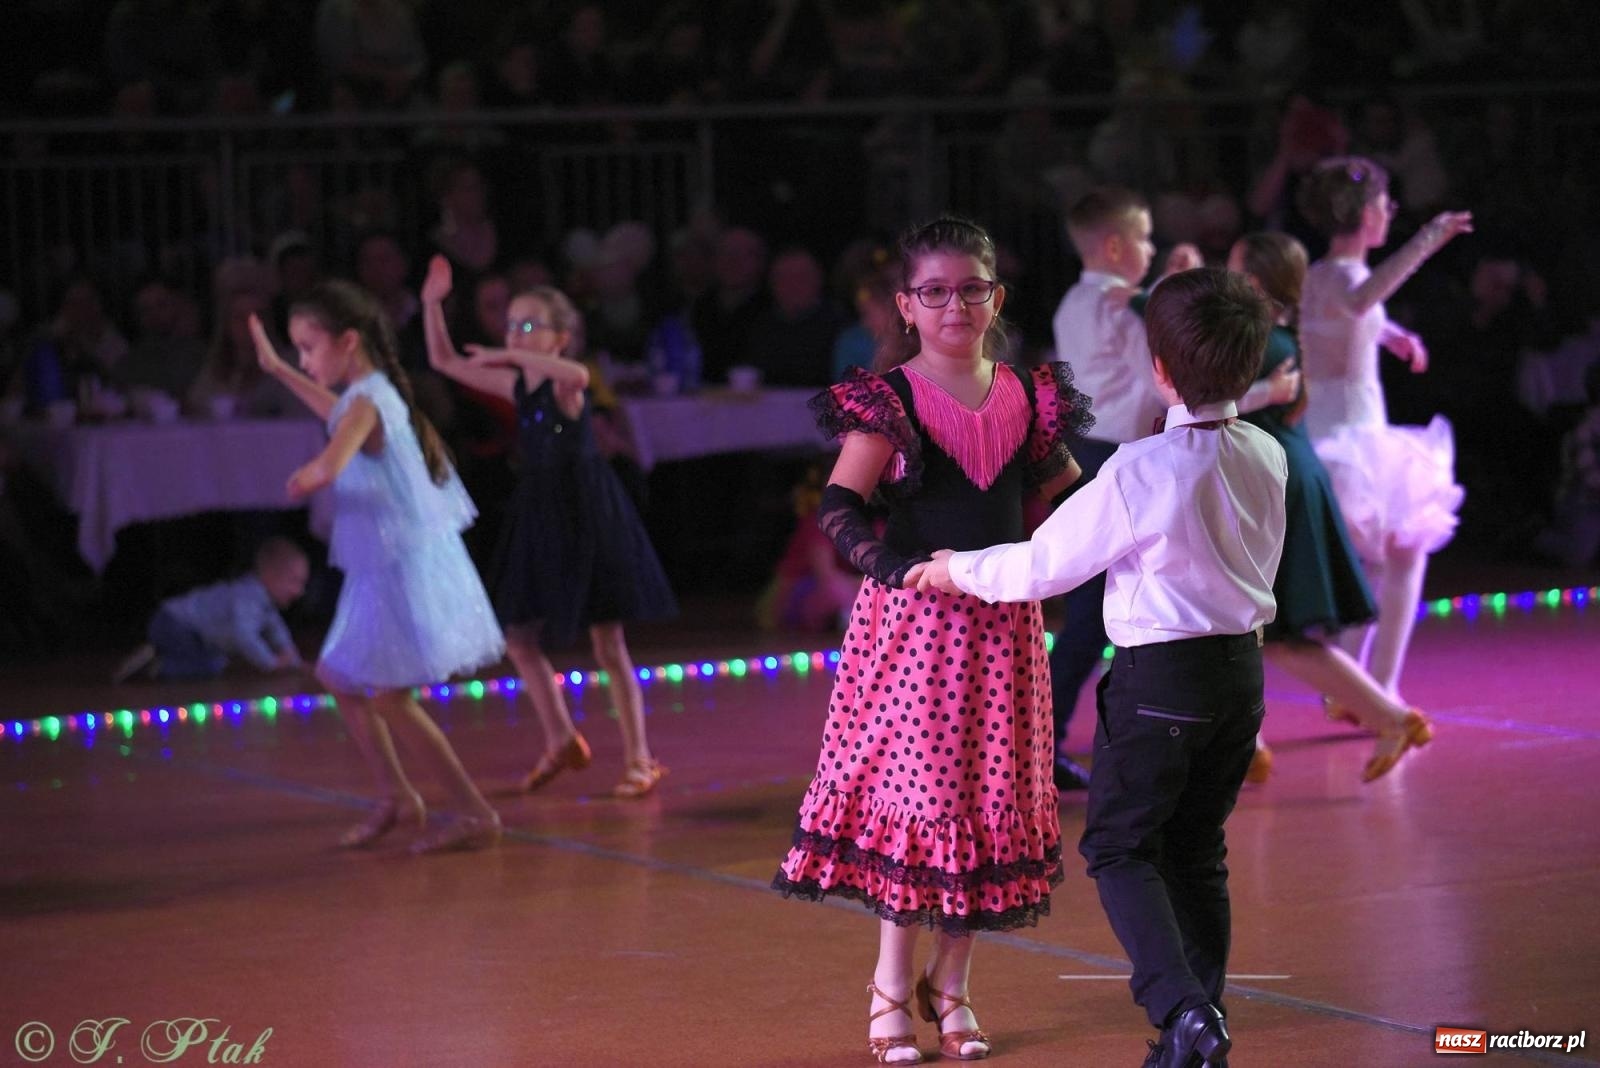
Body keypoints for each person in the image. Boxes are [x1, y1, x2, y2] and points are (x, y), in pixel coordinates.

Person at [916, 267, 1287, 1068]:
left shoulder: (1139, 468)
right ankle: (1198, 1023)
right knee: (1196, 849)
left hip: (1162, 681)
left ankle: (1184, 1011)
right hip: (1240, 679)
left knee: (1120, 848)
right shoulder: (1267, 451)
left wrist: (955, 568)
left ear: (1158, 366)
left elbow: (1046, 565)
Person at [771, 217, 1090, 1064]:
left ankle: (953, 991)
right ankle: (888, 988)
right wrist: (893, 566)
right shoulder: (894, 400)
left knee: (989, 802)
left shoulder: (1028, 393)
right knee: (924, 804)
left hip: (1004, 629)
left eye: (973, 288)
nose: (957, 304)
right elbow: (840, 506)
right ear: (907, 305)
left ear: (996, 297)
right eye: (937, 290)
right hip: (918, 633)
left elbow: (1069, 491)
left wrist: (1079, 546)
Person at [248, 280, 505, 854]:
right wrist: (277, 370)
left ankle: (473, 810)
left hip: (399, 568)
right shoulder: (369, 393)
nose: (305, 359)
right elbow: (337, 413)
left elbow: (337, 451)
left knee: (389, 696)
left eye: (309, 348)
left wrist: (312, 474)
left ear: (347, 341)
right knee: (339, 677)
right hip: (380, 564)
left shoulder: (367, 401)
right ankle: (395, 797)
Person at [420, 255, 677, 800]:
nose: (515, 333)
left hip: (587, 510)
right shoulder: (518, 380)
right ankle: (561, 738)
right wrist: (431, 304)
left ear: (560, 338)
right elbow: (442, 359)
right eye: (512, 324)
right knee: (518, 636)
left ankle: (639, 757)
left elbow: (579, 374)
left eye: (529, 325)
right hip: (540, 510)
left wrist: (508, 354)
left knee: (608, 641)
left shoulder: (568, 382)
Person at [1229, 232, 1434, 782]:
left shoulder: (1261, 342)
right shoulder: (1274, 338)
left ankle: (1383, 717)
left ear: (1254, 281)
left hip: (1278, 482)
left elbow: (1202, 405)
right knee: (1251, 627)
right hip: (1283, 475)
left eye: (1233, 268)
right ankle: (1250, 741)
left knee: (1260, 627)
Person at [1295, 156, 1472, 707]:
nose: (1389, 211)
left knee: (1382, 560)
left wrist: (1389, 334)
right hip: (1353, 438)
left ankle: (1355, 682)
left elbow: (1351, 314)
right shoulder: (1346, 278)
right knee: (1399, 557)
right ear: (1365, 213)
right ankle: (1376, 686)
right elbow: (1358, 299)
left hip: (1330, 431)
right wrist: (1428, 239)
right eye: (1384, 203)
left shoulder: (1318, 274)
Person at [112, 536, 308, 682]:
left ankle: (159, 656)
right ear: (269, 576)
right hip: (172, 624)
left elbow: (278, 633)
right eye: (294, 582)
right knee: (211, 665)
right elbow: (244, 636)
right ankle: (157, 666)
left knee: (214, 659)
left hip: (181, 627)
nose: (300, 591)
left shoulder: (264, 603)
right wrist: (271, 664)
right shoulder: (248, 597)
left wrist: (295, 662)